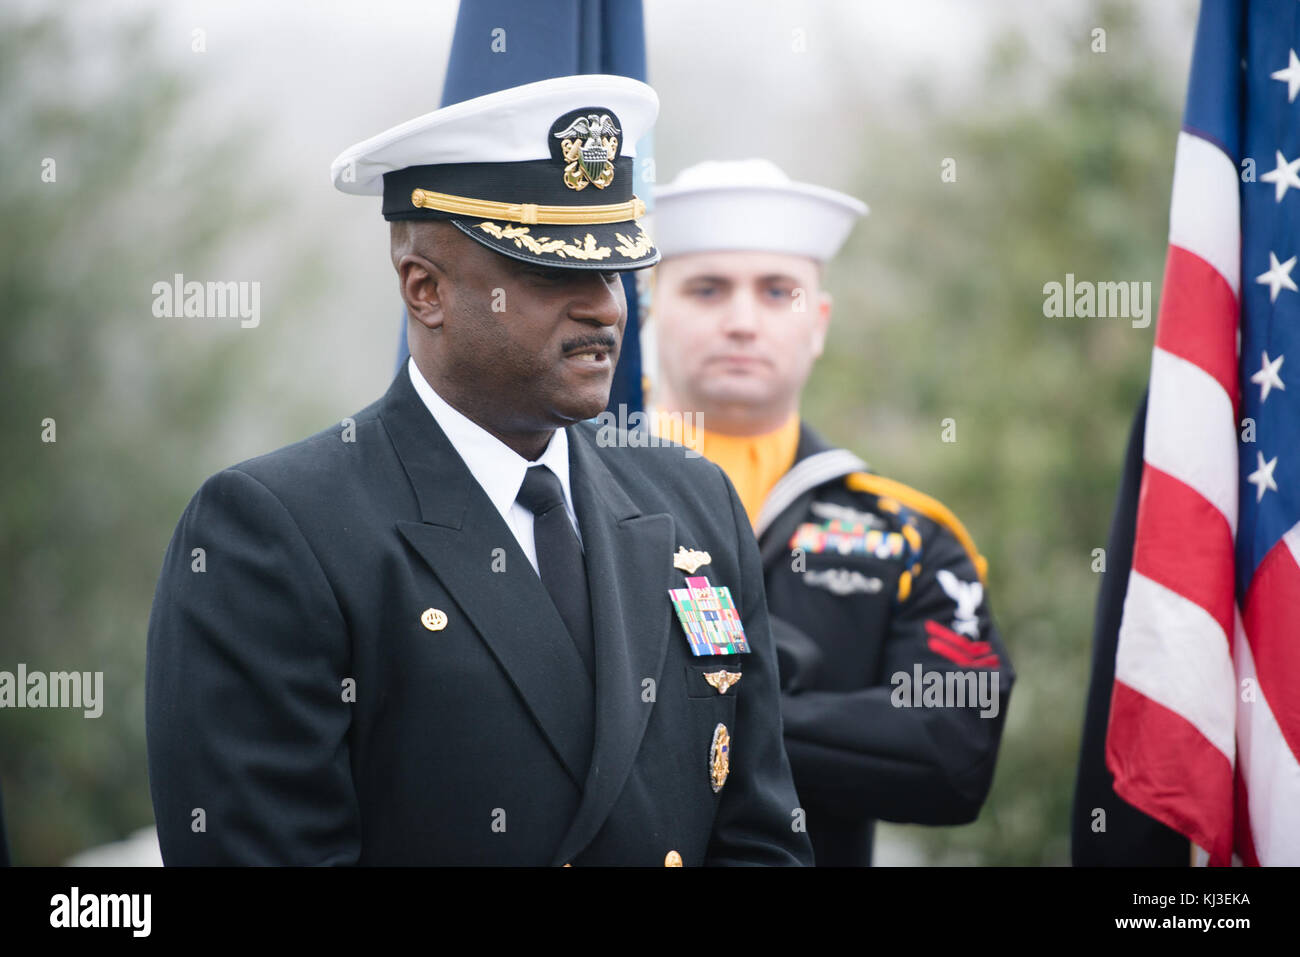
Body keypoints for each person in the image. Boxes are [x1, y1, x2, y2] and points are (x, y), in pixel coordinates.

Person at [144, 79, 811, 867]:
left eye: (615, 270)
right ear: (426, 291)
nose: (604, 308)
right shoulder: (276, 532)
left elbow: (764, 836)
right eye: (552, 273)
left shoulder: (692, 501)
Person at [648, 159, 1014, 865]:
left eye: (777, 291)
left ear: (817, 322)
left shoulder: (912, 536)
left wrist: (694, 708)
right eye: (706, 288)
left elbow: (952, 751)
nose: (743, 321)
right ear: (651, 305)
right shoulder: (561, 498)